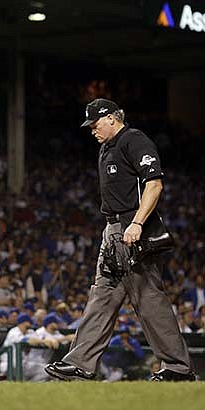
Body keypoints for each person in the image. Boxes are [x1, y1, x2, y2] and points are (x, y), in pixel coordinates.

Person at [45, 98, 195, 382]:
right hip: (112, 231)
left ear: (112, 118)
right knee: (101, 296)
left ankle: (178, 368)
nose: (92, 130)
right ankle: (80, 362)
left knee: (148, 299)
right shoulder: (106, 148)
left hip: (131, 231)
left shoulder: (133, 140)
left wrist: (137, 223)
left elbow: (154, 183)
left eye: (95, 123)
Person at [23, 313, 74, 382]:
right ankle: (29, 384)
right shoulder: (40, 332)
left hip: (44, 364)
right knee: (50, 373)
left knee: (53, 375)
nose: (58, 324)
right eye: (56, 322)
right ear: (50, 324)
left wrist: (66, 338)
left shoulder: (55, 333)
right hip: (32, 362)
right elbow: (30, 340)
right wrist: (46, 341)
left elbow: (63, 339)